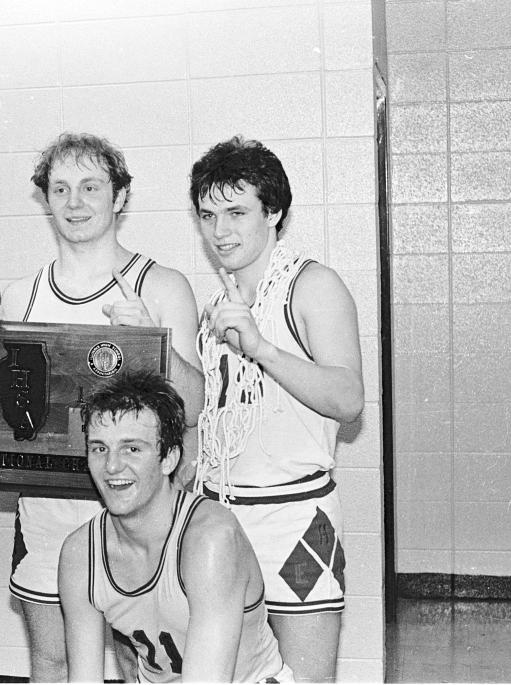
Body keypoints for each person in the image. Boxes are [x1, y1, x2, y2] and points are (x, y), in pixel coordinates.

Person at [0, 132, 203, 681]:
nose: (75, 203)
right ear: (44, 200)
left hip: (137, 516)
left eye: (91, 187)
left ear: (119, 197)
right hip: (49, 513)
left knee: (146, 669)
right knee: (55, 663)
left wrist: (155, 344)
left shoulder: (161, 286)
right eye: (61, 188)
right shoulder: (20, 295)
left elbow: (194, 408)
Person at [187, 136, 364, 682]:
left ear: (275, 212)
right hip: (218, 515)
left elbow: (349, 400)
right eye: (208, 215)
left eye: (237, 212)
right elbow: (207, 407)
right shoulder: (219, 301)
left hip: (293, 517)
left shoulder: (314, 285)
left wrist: (262, 347)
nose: (220, 231)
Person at [59, 370, 292, 683]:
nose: (112, 466)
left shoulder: (210, 539)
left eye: (132, 448)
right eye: (100, 448)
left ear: (168, 459)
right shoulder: (79, 553)